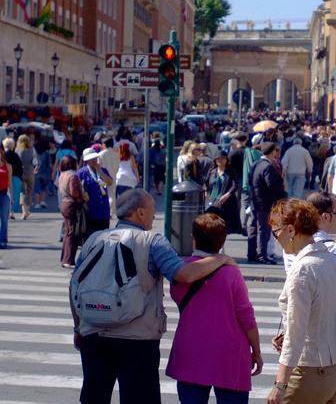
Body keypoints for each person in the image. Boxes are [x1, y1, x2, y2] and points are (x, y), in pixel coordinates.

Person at [70, 189, 237, 404]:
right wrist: (220, 259)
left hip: (94, 333)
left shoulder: (94, 239)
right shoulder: (152, 241)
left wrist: (78, 327)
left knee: (94, 397)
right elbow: (184, 275)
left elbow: (74, 286)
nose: (154, 215)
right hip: (137, 339)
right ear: (139, 212)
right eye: (152, 209)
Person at [166, 213, 264, 404]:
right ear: (222, 242)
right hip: (230, 354)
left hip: (191, 351)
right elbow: (246, 317)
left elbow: (177, 297)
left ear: (193, 238)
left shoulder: (181, 271)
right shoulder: (231, 273)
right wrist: (257, 352)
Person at [268, 199, 336, 404]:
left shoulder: (302, 270)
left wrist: (280, 385)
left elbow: (296, 334)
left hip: (309, 371)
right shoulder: (333, 260)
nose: (276, 239)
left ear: (291, 230)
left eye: (276, 233)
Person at [247, 142, 287, 264]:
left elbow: (250, 181)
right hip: (265, 202)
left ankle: (252, 253)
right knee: (263, 230)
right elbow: (272, 185)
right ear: (273, 151)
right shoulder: (267, 166)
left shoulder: (256, 164)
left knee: (254, 227)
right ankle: (262, 255)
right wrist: (282, 195)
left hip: (255, 200)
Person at [77, 148, 114, 239]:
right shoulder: (81, 173)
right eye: (91, 159)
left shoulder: (103, 170)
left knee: (104, 237)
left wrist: (100, 172)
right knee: (91, 238)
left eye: (95, 158)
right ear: (86, 161)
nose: (94, 160)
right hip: (90, 210)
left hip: (104, 210)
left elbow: (110, 182)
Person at [58, 155, 85, 268]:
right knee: (72, 233)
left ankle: (64, 258)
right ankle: (68, 260)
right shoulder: (73, 175)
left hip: (64, 203)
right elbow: (74, 192)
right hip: (71, 204)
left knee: (67, 232)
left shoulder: (62, 174)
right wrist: (82, 196)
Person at [207, 150, 242, 234]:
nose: (220, 160)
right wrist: (206, 195)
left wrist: (228, 194)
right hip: (213, 202)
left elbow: (235, 184)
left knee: (226, 227)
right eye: (218, 158)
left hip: (227, 202)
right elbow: (206, 184)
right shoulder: (212, 172)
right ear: (215, 160)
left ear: (226, 160)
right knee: (213, 226)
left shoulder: (231, 171)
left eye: (223, 158)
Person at [97, 138, 120, 218]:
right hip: (114, 175)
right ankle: (111, 212)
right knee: (112, 194)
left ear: (104, 144)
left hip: (103, 176)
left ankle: (106, 211)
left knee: (104, 194)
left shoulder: (100, 154)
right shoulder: (116, 154)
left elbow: (98, 166)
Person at [3, 138, 23, 219]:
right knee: (14, 196)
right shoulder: (16, 155)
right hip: (16, 178)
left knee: (5, 195)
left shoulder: (3, 155)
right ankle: (12, 212)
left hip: (5, 177)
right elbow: (20, 167)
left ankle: (5, 212)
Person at [33, 136, 53, 209]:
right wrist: (49, 173)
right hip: (45, 173)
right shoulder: (46, 153)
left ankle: (37, 203)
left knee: (37, 189)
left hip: (36, 173)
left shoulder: (34, 153)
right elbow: (49, 164)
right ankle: (42, 201)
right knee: (43, 188)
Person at [0, 147, 13, 249]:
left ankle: (3, 240)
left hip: (4, 194)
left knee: (4, 219)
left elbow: (10, 182)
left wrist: (12, 196)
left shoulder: (8, 166)